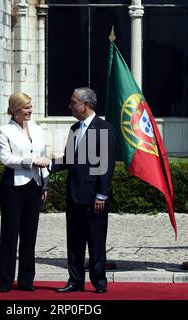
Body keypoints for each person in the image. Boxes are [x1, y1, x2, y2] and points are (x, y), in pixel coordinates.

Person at [50, 87, 116, 294]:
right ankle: (75, 281)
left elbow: (105, 165)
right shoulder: (74, 129)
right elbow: (70, 159)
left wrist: (101, 194)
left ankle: (99, 282)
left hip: (94, 197)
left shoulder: (104, 128)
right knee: (74, 242)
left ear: (85, 105)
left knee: (96, 241)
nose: (70, 106)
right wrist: (48, 165)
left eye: (73, 102)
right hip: (74, 195)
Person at [0, 92, 50, 293]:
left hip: (34, 186)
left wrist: (45, 184)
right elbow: (6, 159)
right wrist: (30, 162)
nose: (30, 110)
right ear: (15, 109)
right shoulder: (4, 130)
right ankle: (6, 282)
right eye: (26, 107)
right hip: (13, 187)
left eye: (30, 106)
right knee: (10, 235)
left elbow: (43, 156)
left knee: (30, 236)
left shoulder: (37, 129)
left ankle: (27, 281)